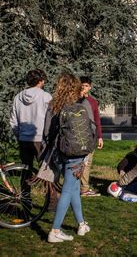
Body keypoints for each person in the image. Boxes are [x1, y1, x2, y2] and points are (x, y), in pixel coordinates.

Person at [46, 73, 90, 243]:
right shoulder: (78, 106)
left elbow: (46, 132)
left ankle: (81, 224)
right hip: (76, 154)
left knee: (73, 188)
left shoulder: (53, 106)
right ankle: (55, 230)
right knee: (67, 190)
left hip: (59, 152)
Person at [10, 69, 52, 171]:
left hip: (23, 138)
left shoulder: (18, 97)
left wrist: (19, 134)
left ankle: (25, 187)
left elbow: (13, 121)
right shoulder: (46, 97)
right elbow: (51, 119)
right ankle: (45, 187)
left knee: (25, 170)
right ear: (41, 80)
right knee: (45, 171)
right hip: (40, 139)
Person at [79, 76, 103, 197]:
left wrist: (100, 136)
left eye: (86, 86)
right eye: (82, 85)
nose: (84, 88)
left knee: (87, 162)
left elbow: (97, 119)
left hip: (91, 135)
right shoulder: (75, 99)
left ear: (90, 87)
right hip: (78, 135)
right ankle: (83, 188)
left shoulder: (93, 101)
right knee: (79, 162)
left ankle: (84, 188)